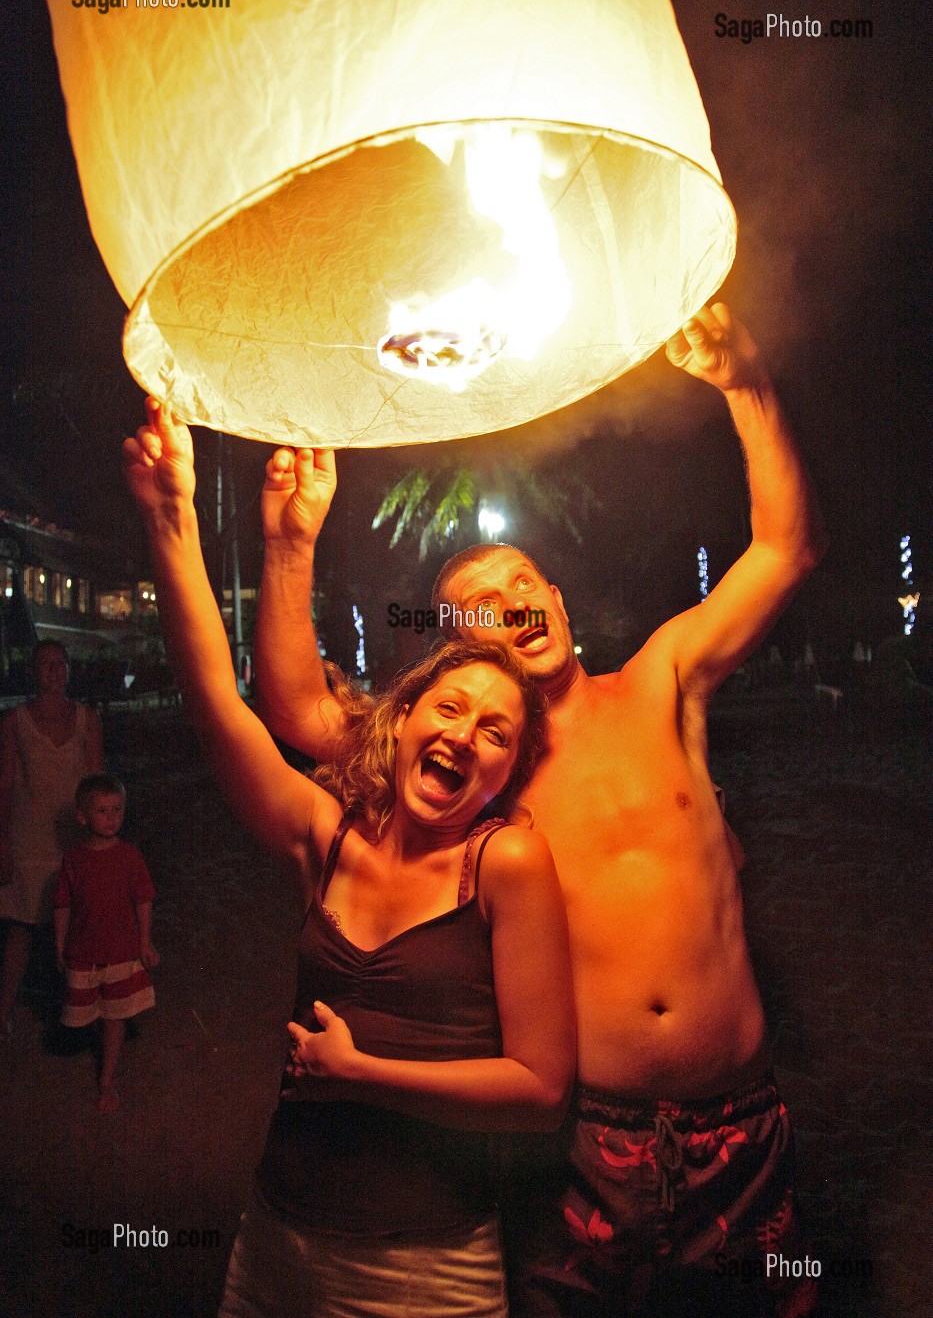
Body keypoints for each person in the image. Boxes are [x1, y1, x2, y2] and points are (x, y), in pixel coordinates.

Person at [252, 303, 827, 1316]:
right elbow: (298, 709)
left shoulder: (660, 679)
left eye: (522, 585)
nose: (512, 607)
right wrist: (292, 541)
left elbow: (786, 547)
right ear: (465, 653)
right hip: (582, 1144)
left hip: (741, 1122)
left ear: (555, 599)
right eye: (480, 612)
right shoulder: (476, 773)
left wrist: (747, 384)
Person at [123, 400, 575, 1318]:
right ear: (400, 722)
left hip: (428, 1264)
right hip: (275, 1237)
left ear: (506, 772)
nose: (466, 735)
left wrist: (361, 1073)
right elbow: (218, 701)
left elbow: (539, 1091)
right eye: (449, 708)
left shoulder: (505, 864)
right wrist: (172, 518)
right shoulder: (325, 837)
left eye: (496, 732)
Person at [0, 639, 103, 1033]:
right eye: (47, 663)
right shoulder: (15, 722)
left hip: (73, 841)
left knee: (78, 927)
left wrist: (98, 839)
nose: (55, 670)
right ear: (33, 670)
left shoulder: (87, 720)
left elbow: (96, 783)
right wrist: (3, 842)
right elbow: (5, 784)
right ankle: (4, 1012)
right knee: (22, 928)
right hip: (29, 841)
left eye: (61, 663)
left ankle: (82, 1011)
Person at [53, 773, 158, 1112]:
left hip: (120, 952)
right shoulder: (74, 859)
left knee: (115, 1016)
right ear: (82, 816)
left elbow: (143, 900)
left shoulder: (129, 856)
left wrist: (145, 942)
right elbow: (63, 905)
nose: (112, 818)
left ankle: (106, 1080)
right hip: (84, 953)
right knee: (89, 1012)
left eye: (117, 810)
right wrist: (60, 945)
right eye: (102, 811)